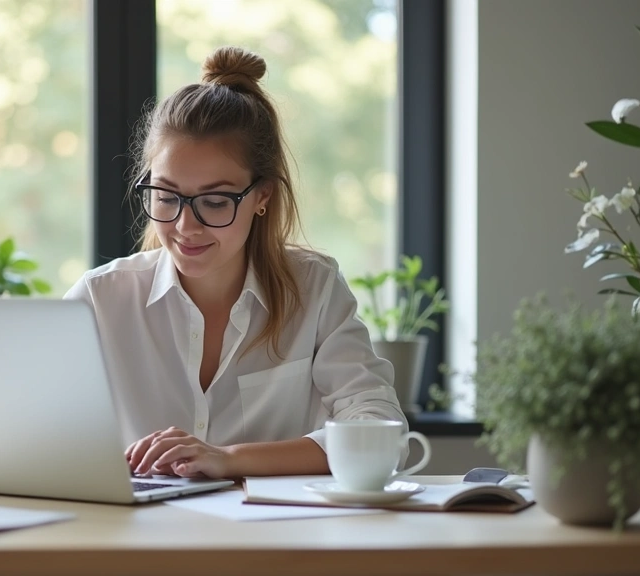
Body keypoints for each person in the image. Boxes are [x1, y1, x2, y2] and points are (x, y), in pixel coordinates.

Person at [64, 45, 405, 480]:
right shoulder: (100, 298)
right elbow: (25, 426)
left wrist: (229, 458)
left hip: (274, 542)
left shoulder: (314, 288)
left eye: (215, 201)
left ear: (261, 196)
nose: (186, 225)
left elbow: (381, 434)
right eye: (167, 196)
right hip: (138, 538)